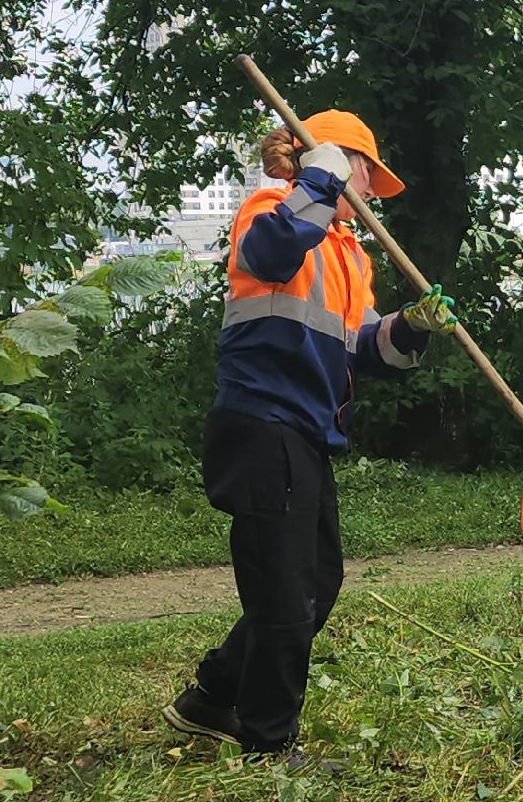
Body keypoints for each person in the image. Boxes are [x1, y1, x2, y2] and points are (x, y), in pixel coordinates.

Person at [162, 111, 460, 755]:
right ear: (329, 160)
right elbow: (267, 253)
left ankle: (212, 695)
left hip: (304, 433)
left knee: (314, 582)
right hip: (263, 421)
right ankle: (270, 742)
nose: (372, 189)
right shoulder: (274, 209)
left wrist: (413, 325)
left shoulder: (345, 253)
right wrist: (317, 189)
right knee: (287, 592)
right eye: (365, 172)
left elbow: (366, 351)